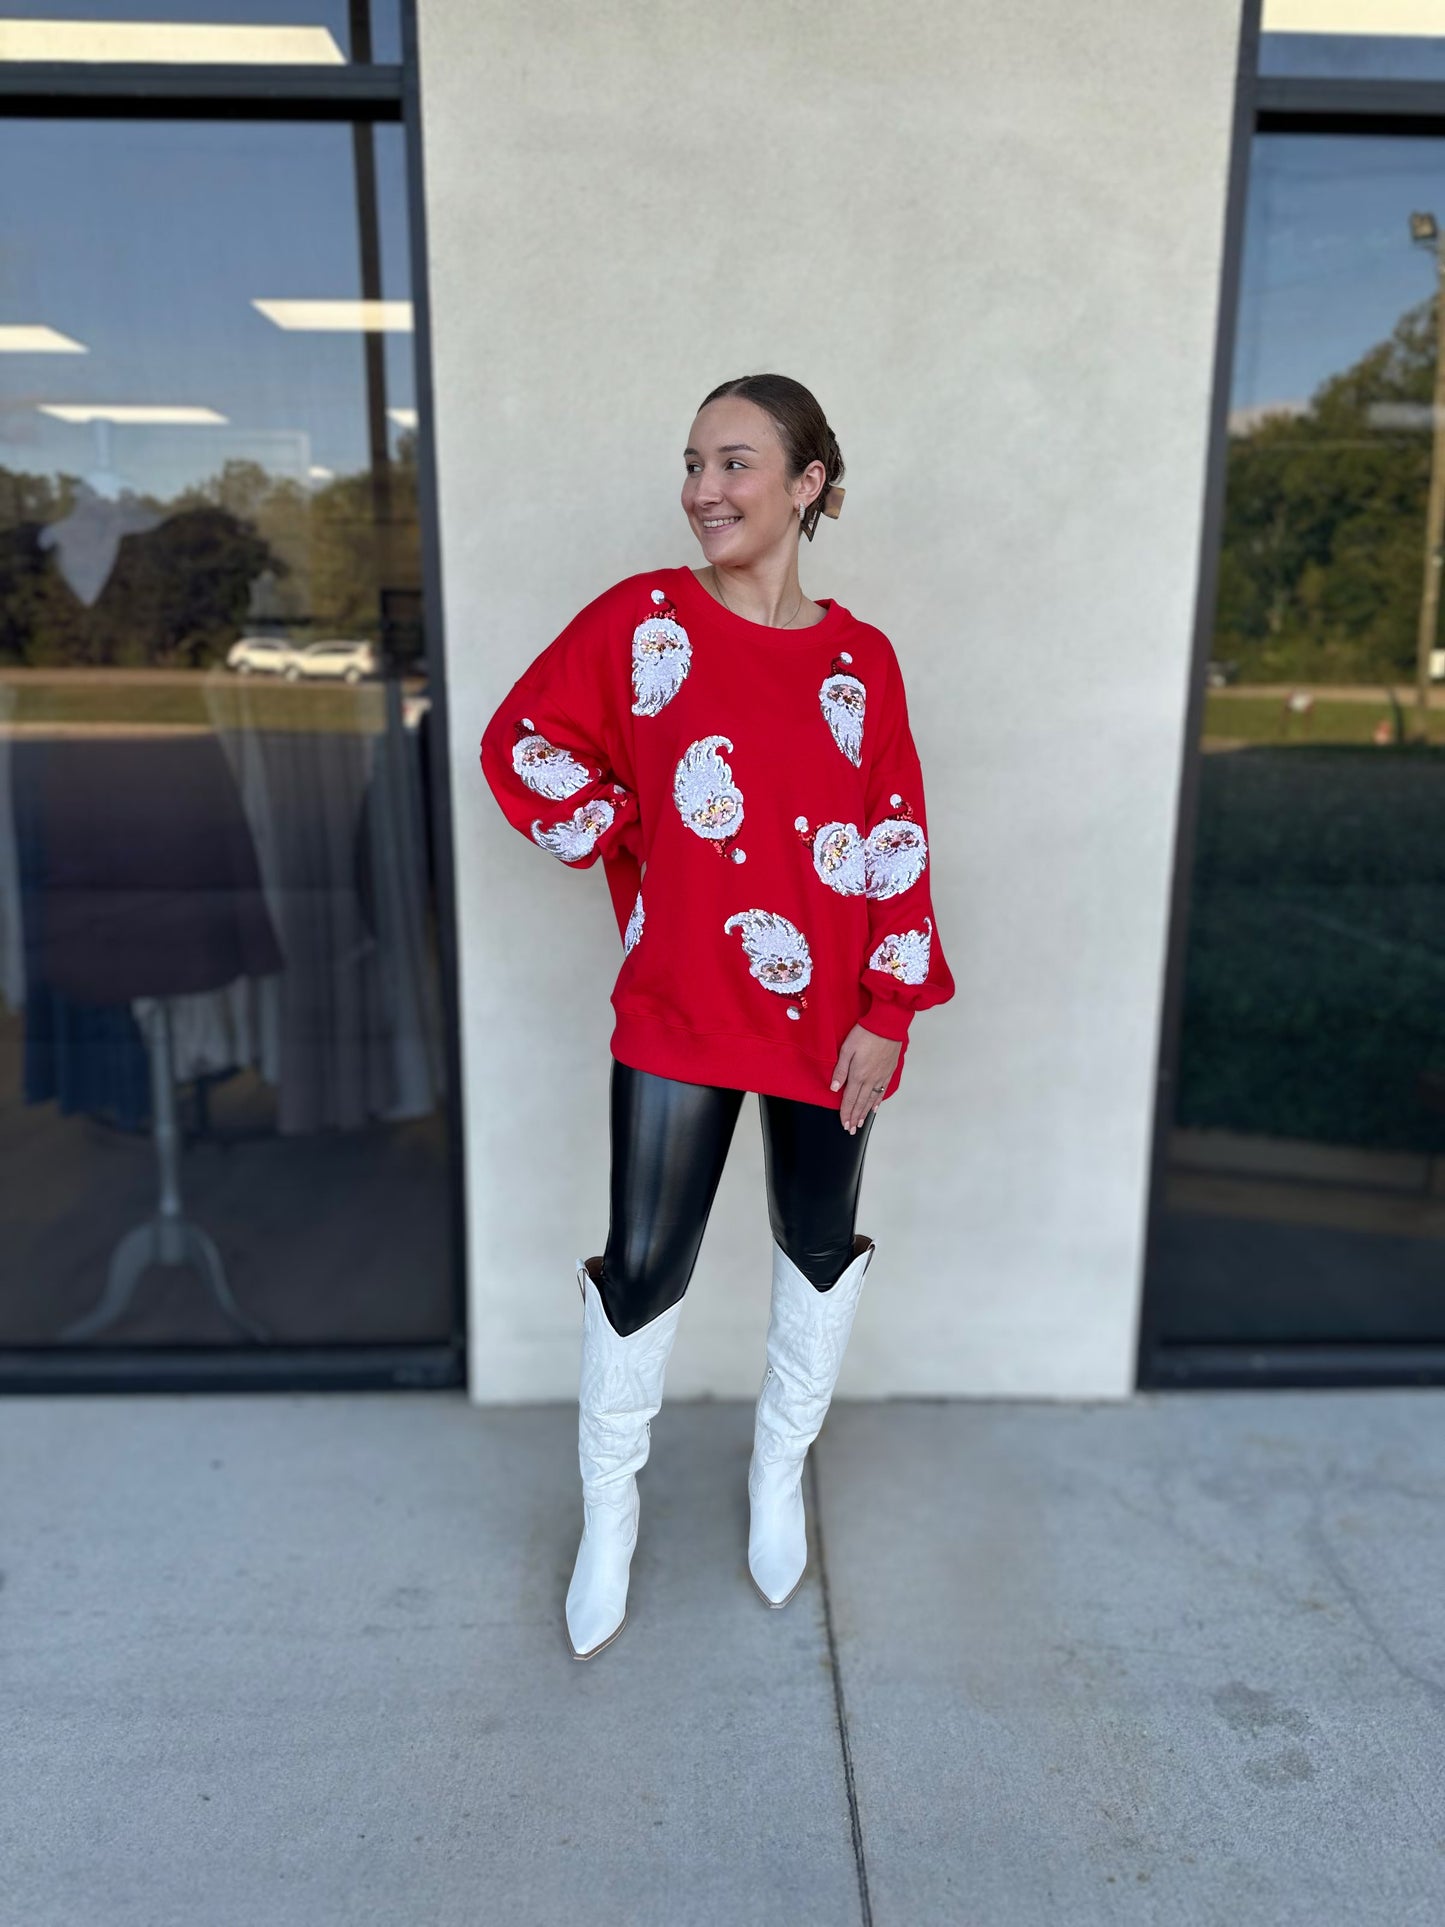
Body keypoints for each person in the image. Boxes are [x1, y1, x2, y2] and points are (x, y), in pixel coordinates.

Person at [480, 373, 954, 1660]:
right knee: (643, 1265)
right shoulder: (641, 620)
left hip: (830, 1023)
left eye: (734, 463)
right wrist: (626, 827)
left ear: (807, 484)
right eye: (692, 463)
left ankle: (774, 1476)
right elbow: (524, 741)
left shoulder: (861, 660)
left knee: (816, 1246)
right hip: (681, 1007)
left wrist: (890, 1009)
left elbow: (894, 836)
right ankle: (610, 1515)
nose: (702, 489)